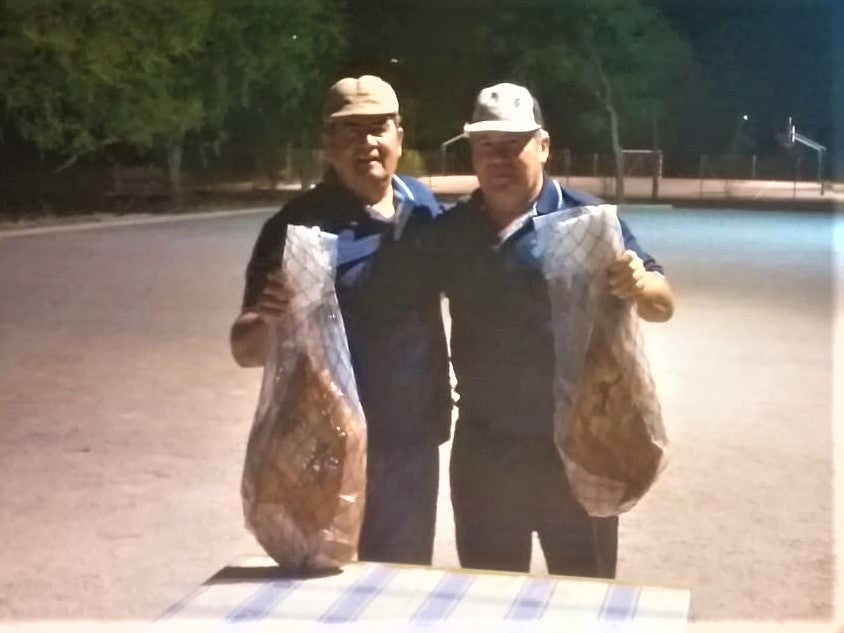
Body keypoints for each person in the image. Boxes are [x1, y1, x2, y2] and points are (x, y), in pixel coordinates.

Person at [435, 82, 675, 578]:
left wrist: (640, 281)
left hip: (582, 445)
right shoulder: (451, 232)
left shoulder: (588, 221)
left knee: (586, 596)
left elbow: (661, 304)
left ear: (543, 145)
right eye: (486, 146)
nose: (498, 159)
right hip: (486, 449)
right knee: (490, 597)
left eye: (513, 144)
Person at [229, 75, 451, 565]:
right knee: (330, 583)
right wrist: (269, 318)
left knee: (404, 580)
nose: (366, 143)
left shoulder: (424, 206)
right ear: (328, 144)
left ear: (400, 135)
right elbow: (245, 349)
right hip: (324, 448)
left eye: (377, 128)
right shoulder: (295, 228)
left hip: (411, 439)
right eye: (349, 132)